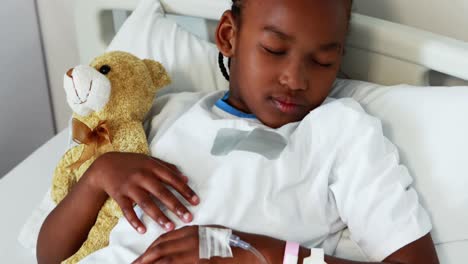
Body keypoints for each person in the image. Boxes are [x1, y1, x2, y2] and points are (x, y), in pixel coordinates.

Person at [37, 0, 440, 263]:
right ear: (229, 35)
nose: (295, 79)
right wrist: (97, 177)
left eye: (321, 61)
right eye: (274, 50)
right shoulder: (166, 114)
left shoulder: (339, 133)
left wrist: (264, 255)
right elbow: (49, 256)